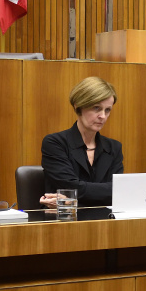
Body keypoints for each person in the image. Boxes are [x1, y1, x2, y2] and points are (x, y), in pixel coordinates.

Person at [40, 76, 123, 207]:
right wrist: (107, 191)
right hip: (64, 219)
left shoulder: (114, 147)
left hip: (105, 220)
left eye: (107, 110)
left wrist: (73, 198)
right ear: (79, 106)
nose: (103, 116)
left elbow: (119, 190)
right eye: (96, 108)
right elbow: (69, 186)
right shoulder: (55, 143)